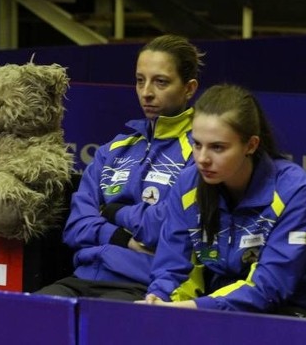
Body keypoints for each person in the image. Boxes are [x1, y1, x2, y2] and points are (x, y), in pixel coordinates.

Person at [138, 84, 306, 316]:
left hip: (298, 312)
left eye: (217, 147)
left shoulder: (298, 193)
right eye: (197, 144)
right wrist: (159, 299)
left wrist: (190, 309)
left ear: (251, 145)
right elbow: (173, 267)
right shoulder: (188, 185)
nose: (202, 159)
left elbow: (268, 287)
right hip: (216, 310)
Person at [35, 34, 202, 301]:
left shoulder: (200, 151)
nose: (146, 92)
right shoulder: (113, 150)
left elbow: (165, 227)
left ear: (189, 89)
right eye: (140, 80)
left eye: (161, 82)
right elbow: (76, 227)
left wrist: (112, 211)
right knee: (29, 314)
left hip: (145, 286)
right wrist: (124, 239)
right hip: (84, 276)